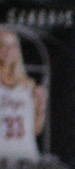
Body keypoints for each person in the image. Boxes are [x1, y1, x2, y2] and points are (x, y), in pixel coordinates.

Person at [0, 29, 46, 160]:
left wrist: (41, 107)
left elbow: (35, 130)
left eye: (13, 45)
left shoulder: (28, 84)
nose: (8, 50)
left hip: (25, 156)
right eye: (3, 45)